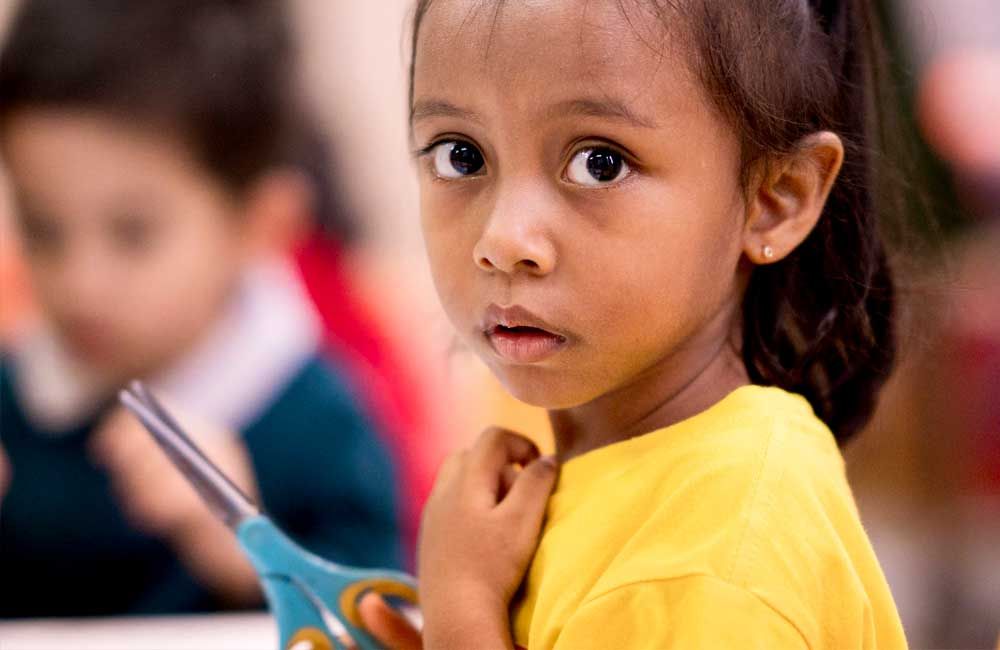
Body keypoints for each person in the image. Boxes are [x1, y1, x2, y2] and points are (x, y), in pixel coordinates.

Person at [360, 0, 910, 647]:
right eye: (460, 156)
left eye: (600, 163)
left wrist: (462, 611)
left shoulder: (711, 558)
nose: (503, 239)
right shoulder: (612, 474)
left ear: (774, 199)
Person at [0, 0, 401, 617]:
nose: (81, 284)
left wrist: (251, 555)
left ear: (258, 225)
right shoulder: (11, 397)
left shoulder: (318, 420)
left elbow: (387, 619)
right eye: (42, 228)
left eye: (133, 233)